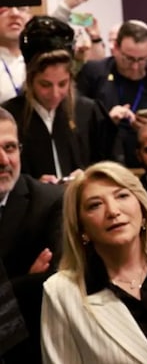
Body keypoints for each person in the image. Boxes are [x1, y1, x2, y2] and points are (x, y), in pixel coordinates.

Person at [41, 161, 147, 364]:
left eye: (122, 196)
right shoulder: (61, 292)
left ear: (142, 209)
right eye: (95, 205)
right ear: (82, 228)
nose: (113, 211)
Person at [3, 16, 116, 183]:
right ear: (30, 79)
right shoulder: (10, 117)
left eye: (63, 83)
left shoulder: (89, 112)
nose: (55, 94)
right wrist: (32, 187)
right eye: (45, 85)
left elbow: (112, 168)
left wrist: (88, 179)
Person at [0, 107, 63, 364]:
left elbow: (52, 287)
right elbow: (32, 287)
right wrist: (25, 280)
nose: (3, 160)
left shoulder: (50, 202)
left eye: (10, 148)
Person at [77, 21, 147, 168]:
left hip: (144, 165)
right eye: (129, 59)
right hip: (101, 161)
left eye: (142, 59)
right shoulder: (93, 73)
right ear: (115, 48)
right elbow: (77, 122)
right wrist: (107, 122)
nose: (135, 66)